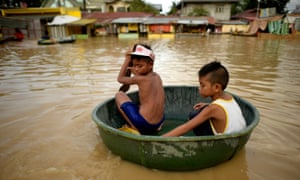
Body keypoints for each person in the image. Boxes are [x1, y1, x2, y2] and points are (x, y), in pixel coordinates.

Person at [163, 61, 246, 137]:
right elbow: (224, 109)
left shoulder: (213, 109)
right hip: (239, 136)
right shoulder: (228, 96)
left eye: (202, 85)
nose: (199, 88)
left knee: (194, 114)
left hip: (224, 142)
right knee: (202, 109)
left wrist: (162, 139)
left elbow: (186, 127)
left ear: (216, 87)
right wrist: (207, 105)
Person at [115, 44, 165, 135]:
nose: (137, 69)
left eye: (140, 66)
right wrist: (134, 68)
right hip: (160, 121)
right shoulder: (157, 76)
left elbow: (120, 79)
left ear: (151, 64)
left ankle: (134, 127)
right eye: (134, 66)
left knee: (119, 95)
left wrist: (127, 59)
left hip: (145, 125)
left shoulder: (140, 79)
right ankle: (157, 127)